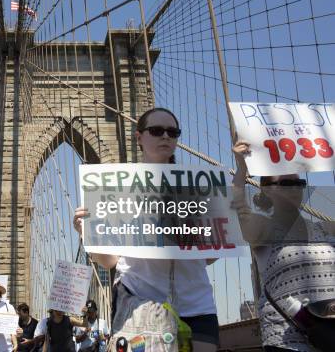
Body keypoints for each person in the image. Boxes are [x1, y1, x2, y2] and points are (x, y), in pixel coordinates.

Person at [74, 108, 219, 352]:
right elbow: (110, 261)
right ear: (139, 137)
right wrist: (87, 234)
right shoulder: (119, 185)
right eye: (156, 130)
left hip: (197, 304)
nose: (165, 136)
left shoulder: (196, 186)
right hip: (141, 304)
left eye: (172, 132)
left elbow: (209, 257)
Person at [232, 141, 335, 352]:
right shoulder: (264, 229)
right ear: (267, 190)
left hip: (329, 334)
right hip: (286, 339)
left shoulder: (325, 228)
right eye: (286, 184)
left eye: (298, 184)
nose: (294, 189)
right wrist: (241, 170)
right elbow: (238, 211)